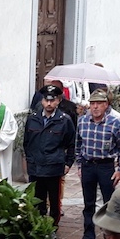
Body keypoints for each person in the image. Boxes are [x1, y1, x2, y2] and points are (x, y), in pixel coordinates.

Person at [75, 90, 120, 239]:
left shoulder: (114, 123)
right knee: (88, 203)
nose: (95, 107)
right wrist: (79, 165)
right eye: (92, 103)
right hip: (88, 165)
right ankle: (88, 236)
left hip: (106, 166)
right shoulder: (82, 121)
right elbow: (78, 145)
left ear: (106, 105)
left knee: (108, 204)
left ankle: (109, 238)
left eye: (99, 103)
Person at [24, 84, 76, 228]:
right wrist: (30, 160)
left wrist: (68, 163)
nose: (49, 103)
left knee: (54, 201)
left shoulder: (64, 120)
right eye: (46, 100)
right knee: (37, 199)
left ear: (58, 101)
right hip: (35, 167)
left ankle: (53, 226)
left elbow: (71, 144)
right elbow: (27, 142)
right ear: (42, 101)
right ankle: (39, 227)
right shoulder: (33, 119)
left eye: (52, 100)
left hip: (54, 168)